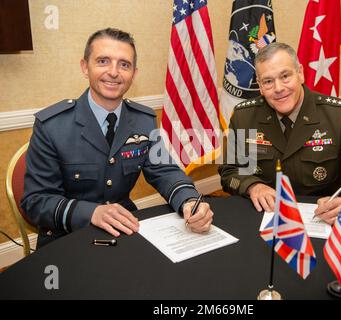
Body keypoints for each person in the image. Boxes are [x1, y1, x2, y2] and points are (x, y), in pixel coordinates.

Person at [22, 28, 213, 248]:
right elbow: (36, 202)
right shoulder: (52, 126)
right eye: (103, 61)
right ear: (85, 67)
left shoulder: (144, 120)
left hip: (125, 230)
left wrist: (189, 200)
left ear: (134, 73)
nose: (114, 72)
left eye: (124, 64)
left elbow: (164, 171)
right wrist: (91, 213)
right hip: (66, 237)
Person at [218, 42, 341, 224]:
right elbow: (230, 172)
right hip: (265, 220)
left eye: (285, 76)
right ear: (260, 86)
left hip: (324, 221)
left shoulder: (340, 117)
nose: (278, 88)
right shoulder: (244, 117)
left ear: (300, 73)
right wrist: (253, 186)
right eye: (268, 81)